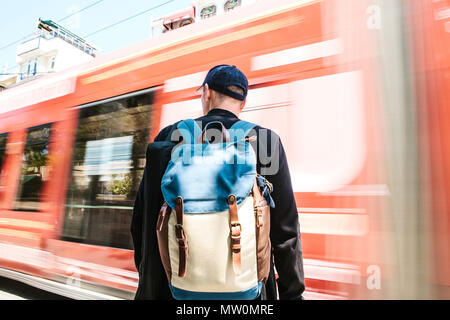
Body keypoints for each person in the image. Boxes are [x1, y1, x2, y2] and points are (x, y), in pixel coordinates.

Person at [131, 65, 305, 300]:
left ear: (207, 92)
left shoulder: (170, 137)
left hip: (175, 292)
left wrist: (148, 277)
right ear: (242, 103)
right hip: (248, 295)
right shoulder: (265, 142)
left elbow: (142, 219)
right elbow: (286, 232)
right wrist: (291, 294)